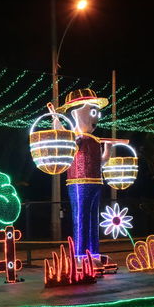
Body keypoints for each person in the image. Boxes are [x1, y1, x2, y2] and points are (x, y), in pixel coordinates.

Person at [53, 88, 127, 261]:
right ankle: (80, 255)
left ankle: (93, 253)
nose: (96, 118)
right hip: (78, 183)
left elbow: (100, 162)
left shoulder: (95, 140)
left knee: (93, 219)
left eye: (97, 113)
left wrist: (107, 149)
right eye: (93, 112)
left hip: (96, 183)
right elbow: (63, 140)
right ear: (78, 112)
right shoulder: (74, 139)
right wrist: (58, 126)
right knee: (81, 218)